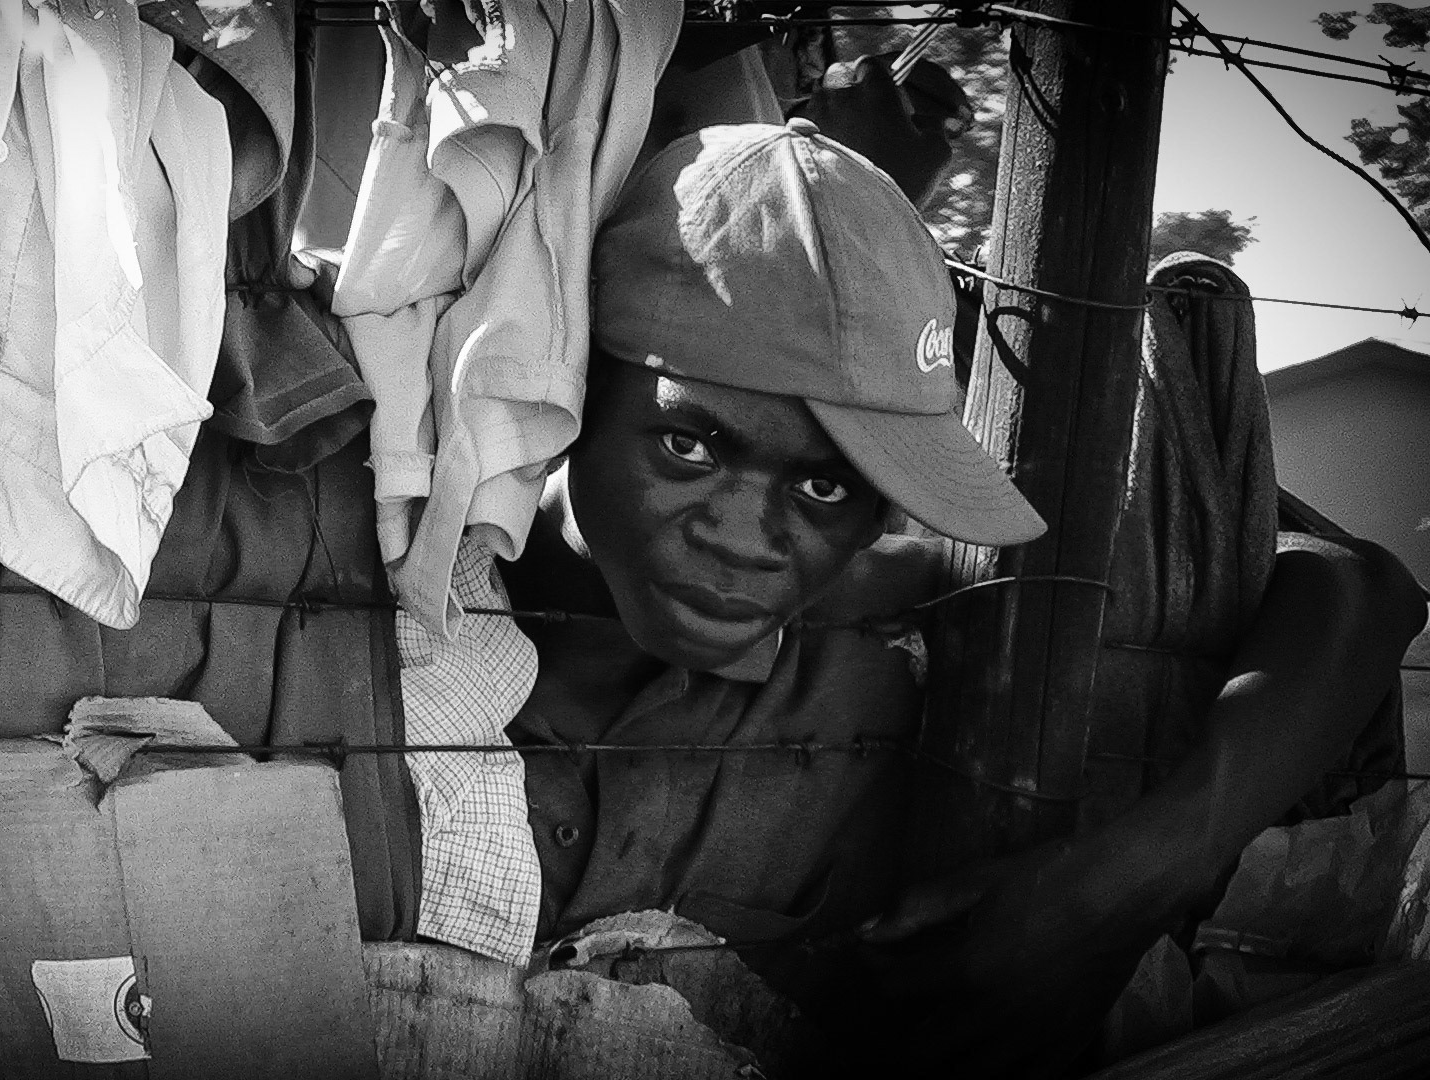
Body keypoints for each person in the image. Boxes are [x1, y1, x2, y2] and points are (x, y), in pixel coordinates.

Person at [489, 118, 1427, 1074]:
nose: (741, 536)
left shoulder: (892, 606)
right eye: (688, 446)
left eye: (827, 486)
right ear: (581, 387)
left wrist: (1130, 877)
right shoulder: (386, 602)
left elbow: (1355, 583)